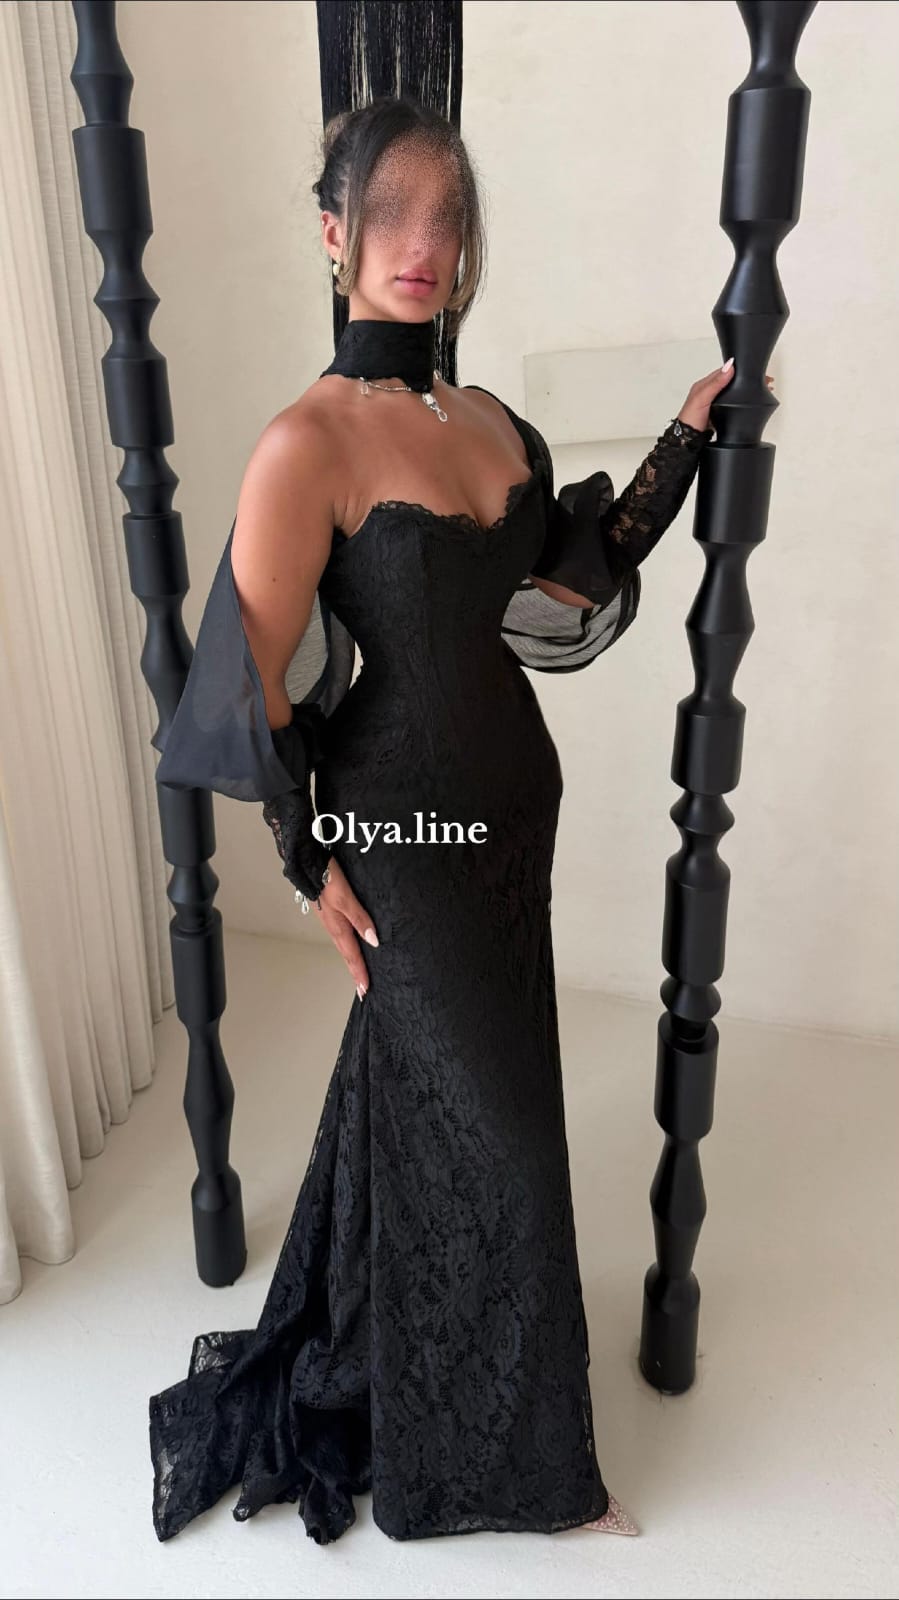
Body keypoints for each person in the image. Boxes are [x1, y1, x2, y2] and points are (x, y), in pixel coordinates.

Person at [148, 94, 748, 1548]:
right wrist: (310, 864)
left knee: (461, 1105)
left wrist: (684, 437)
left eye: (449, 218)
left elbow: (573, 576)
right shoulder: (306, 444)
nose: (422, 244)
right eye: (392, 214)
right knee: (511, 1149)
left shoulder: (487, 423)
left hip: (512, 823)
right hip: (403, 845)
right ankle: (519, 1476)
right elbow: (256, 679)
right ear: (334, 232)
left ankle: (413, 1352)